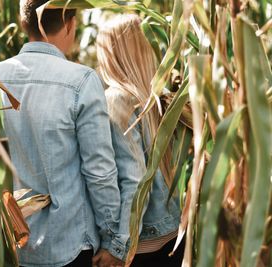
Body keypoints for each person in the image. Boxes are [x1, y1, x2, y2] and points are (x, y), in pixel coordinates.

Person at [0, 1, 134, 266]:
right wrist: (114, 241)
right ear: (70, 24)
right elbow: (99, 171)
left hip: (8, 246)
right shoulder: (81, 81)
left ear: (25, 24)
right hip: (69, 246)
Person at [96, 14, 184, 266]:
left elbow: (136, 180)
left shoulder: (116, 100)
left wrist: (119, 245)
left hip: (143, 245)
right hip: (174, 234)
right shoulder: (159, 97)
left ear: (110, 54)